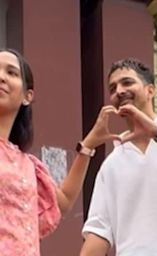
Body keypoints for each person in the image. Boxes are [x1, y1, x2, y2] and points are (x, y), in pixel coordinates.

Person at [0, 49, 120, 256]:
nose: (1, 77)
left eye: (11, 72)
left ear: (28, 96)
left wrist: (89, 144)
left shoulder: (28, 165)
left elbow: (62, 201)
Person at [80, 58, 157, 256]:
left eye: (127, 83)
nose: (119, 91)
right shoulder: (112, 165)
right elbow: (99, 232)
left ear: (150, 91)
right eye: (112, 88)